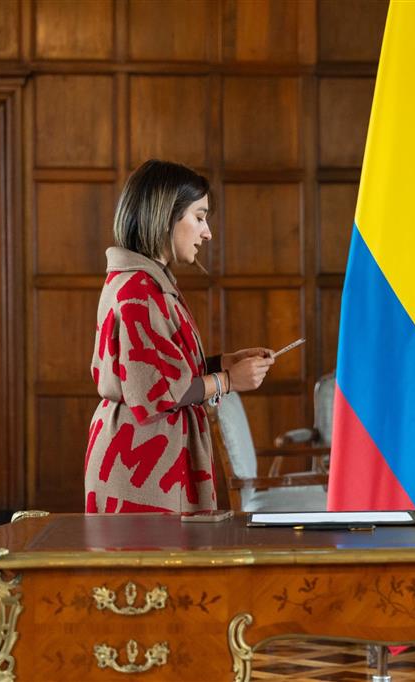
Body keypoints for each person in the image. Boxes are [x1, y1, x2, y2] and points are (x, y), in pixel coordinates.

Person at [84, 159, 274, 514]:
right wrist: (228, 380)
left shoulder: (149, 281)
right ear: (166, 217)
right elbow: (156, 392)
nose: (207, 233)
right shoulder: (139, 289)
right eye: (199, 217)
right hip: (141, 465)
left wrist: (222, 363)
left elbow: (159, 369)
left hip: (152, 454)